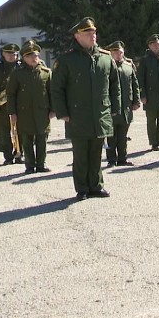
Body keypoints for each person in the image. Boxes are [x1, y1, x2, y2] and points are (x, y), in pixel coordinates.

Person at [51, 17, 121, 199]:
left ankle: (96, 186)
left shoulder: (105, 58)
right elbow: (57, 88)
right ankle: (82, 189)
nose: (93, 36)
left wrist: (115, 107)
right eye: (88, 33)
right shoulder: (66, 60)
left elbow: (115, 84)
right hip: (77, 114)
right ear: (77, 36)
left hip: (100, 114)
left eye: (94, 32)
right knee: (81, 154)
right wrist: (63, 113)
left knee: (97, 152)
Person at [6, 42, 53, 174]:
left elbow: (52, 92)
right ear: (25, 58)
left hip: (42, 112)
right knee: (27, 139)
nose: (35, 58)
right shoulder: (17, 73)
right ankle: (29, 165)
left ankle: (41, 164)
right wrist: (12, 112)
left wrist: (53, 109)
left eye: (36, 55)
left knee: (42, 139)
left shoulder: (46, 72)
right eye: (31, 55)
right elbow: (11, 94)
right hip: (24, 112)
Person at [104, 41, 140, 167]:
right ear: (111, 53)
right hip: (112, 107)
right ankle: (111, 159)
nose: (119, 54)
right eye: (116, 52)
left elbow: (134, 84)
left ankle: (122, 158)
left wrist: (136, 101)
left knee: (123, 136)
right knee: (111, 136)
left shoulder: (128, 66)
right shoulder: (107, 67)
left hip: (126, 107)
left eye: (120, 52)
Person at [0, 43, 22, 164]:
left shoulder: (22, 66)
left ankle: (19, 154)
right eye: (9, 54)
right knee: (5, 131)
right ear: (3, 54)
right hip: (3, 105)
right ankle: (8, 156)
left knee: (20, 130)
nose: (12, 56)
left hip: (20, 104)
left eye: (14, 54)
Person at [137, 34, 159, 150]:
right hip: (150, 96)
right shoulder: (145, 60)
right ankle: (153, 142)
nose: (158, 46)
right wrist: (142, 95)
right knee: (151, 120)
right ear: (150, 46)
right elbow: (140, 79)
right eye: (155, 44)